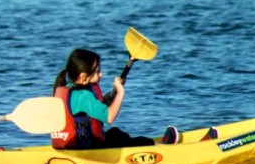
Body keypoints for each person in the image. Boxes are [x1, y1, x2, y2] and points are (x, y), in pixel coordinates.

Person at [50, 48, 210, 149]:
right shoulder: (84, 96)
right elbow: (109, 116)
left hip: (77, 145)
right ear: (84, 77)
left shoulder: (69, 89)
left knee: (116, 135)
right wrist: (120, 93)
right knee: (124, 139)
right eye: (97, 72)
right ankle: (166, 149)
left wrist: (113, 93)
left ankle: (160, 145)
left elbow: (98, 107)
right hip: (88, 150)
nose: (101, 74)